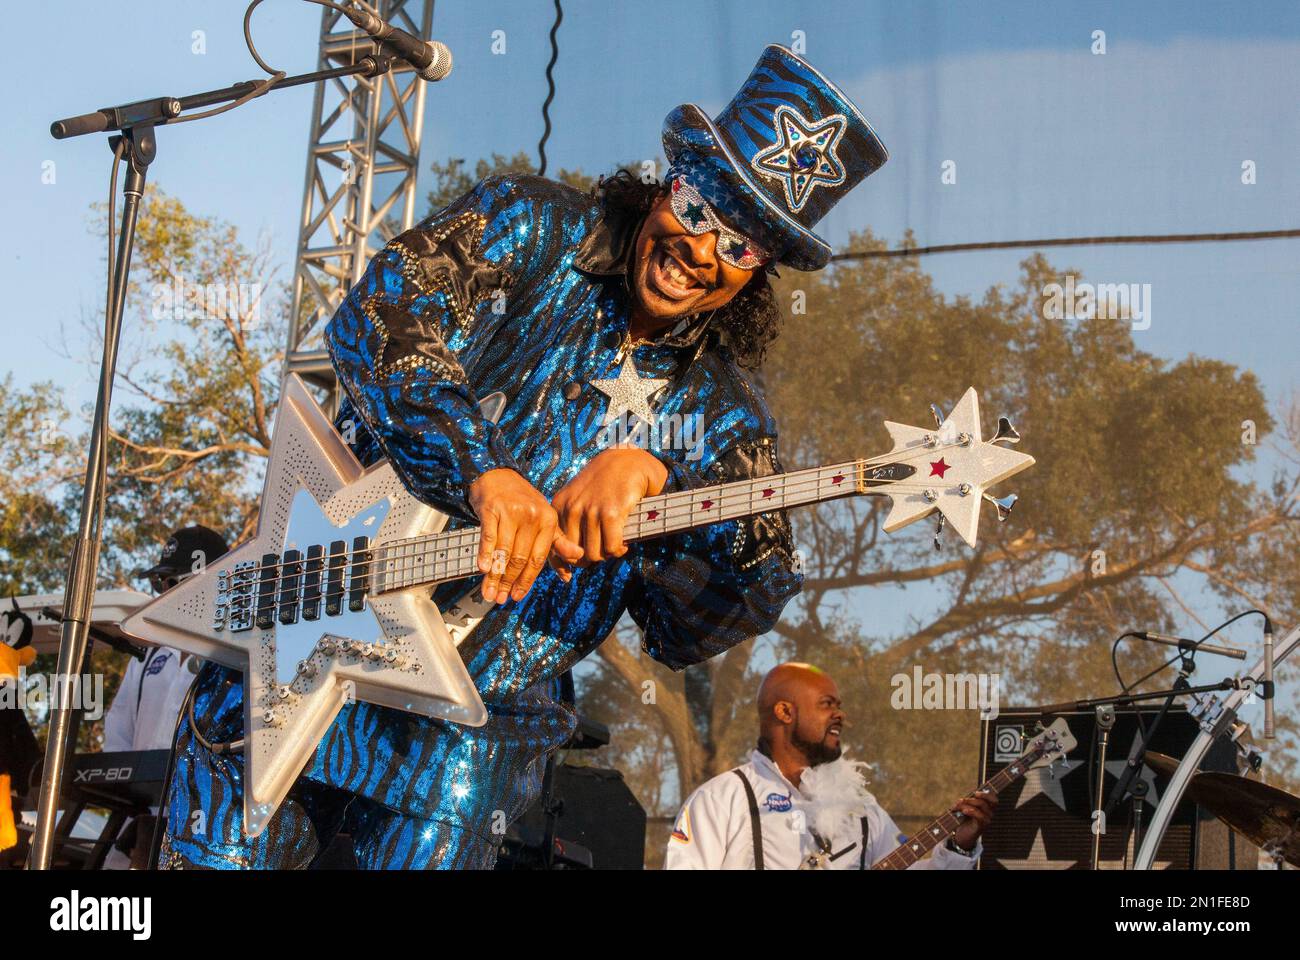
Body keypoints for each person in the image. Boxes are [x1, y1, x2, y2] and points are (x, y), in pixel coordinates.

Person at [161, 44, 890, 869]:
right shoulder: (530, 224)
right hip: (297, 631)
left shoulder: (728, 420)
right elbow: (383, 313)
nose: (702, 248)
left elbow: (730, 603)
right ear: (664, 183)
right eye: (698, 207)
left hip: (469, 734)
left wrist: (664, 478)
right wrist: (484, 471)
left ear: (757, 273)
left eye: (741, 245)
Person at [665, 663, 998, 869]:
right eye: (827, 705)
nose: (840, 715)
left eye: (839, 706)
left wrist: (959, 845)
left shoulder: (862, 809)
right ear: (785, 712)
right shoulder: (721, 799)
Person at [101, 525, 227, 869]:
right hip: (136, 823)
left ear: (201, 582)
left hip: (206, 828)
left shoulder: (234, 655)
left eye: (169, 582)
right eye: (158, 583)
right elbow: (118, 733)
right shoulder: (146, 657)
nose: (161, 591)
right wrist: (125, 784)